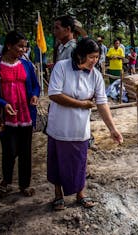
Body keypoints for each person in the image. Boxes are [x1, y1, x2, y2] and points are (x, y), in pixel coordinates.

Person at [46, 38, 123, 210]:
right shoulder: (62, 67)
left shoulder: (95, 75)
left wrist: (113, 129)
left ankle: (80, 193)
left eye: (96, 57)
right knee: (57, 161)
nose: (94, 61)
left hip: (80, 128)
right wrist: (82, 104)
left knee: (80, 162)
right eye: (91, 57)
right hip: (59, 125)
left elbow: (102, 103)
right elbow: (54, 94)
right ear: (79, 54)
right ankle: (58, 195)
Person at [0, 31, 40, 197]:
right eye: (20, 46)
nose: (23, 50)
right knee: (9, 150)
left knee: (25, 151)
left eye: (25, 47)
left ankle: (25, 185)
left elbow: (35, 86)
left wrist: (35, 96)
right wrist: (3, 103)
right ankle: (6, 181)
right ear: (8, 45)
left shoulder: (27, 65)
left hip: (26, 115)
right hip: (4, 117)